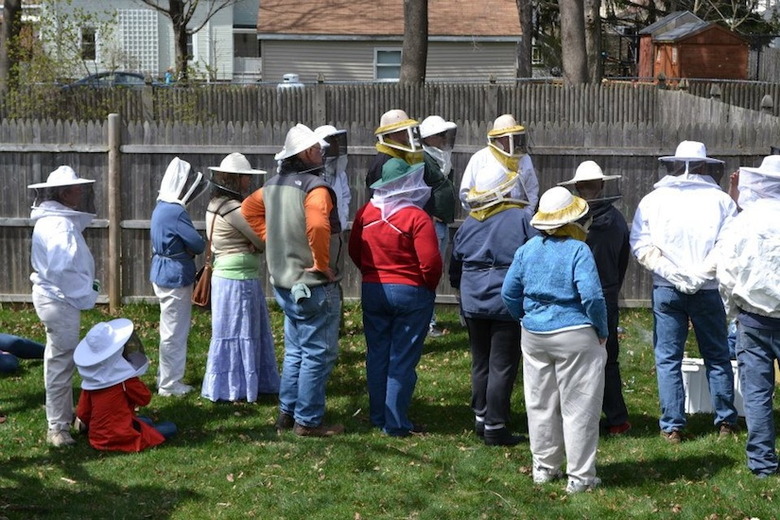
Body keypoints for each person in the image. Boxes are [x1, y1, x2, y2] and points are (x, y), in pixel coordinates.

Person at [630, 140, 739, 443]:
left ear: (676, 164)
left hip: (668, 290)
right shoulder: (722, 202)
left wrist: (673, 273)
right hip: (707, 289)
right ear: (705, 165)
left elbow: (641, 244)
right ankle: (726, 422)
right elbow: (728, 245)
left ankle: (672, 426)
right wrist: (700, 274)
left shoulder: (653, 200)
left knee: (668, 358)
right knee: (716, 354)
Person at [501, 186, 608, 494]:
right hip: (575, 334)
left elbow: (509, 293)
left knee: (540, 403)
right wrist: (601, 329)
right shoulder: (578, 251)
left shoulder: (527, 250)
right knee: (579, 406)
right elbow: (592, 296)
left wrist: (525, 318)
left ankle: (544, 468)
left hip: (534, 335)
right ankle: (580, 477)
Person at [242, 124, 344, 437]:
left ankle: (287, 413)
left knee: (296, 351)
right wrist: (321, 264)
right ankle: (308, 421)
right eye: (317, 149)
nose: (322, 153)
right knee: (317, 354)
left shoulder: (272, 185)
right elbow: (318, 225)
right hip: (314, 285)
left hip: (284, 284)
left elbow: (248, 209)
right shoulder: (316, 188)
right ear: (306, 152)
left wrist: (271, 238)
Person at [349, 158, 442, 437]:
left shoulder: (365, 213)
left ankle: (379, 416)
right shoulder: (416, 217)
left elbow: (355, 250)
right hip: (411, 291)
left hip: (374, 289)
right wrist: (426, 287)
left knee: (377, 354)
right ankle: (396, 422)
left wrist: (371, 273)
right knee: (402, 357)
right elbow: (430, 262)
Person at [450, 163, 536, 446]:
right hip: (505, 301)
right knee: (502, 363)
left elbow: (455, 264)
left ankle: (481, 416)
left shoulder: (470, 222)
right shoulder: (521, 219)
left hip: (473, 301)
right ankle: (495, 425)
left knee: (481, 360)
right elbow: (534, 256)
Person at [717, 154, 780, 477]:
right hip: (754, 318)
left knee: (757, 394)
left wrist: (732, 312)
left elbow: (726, 271)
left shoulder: (743, 221)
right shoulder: (744, 219)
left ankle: (762, 463)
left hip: (752, 319)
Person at [29, 165, 99, 447]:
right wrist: (85, 293)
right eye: (76, 188)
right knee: (60, 363)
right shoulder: (59, 225)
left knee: (58, 359)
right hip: (60, 300)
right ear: (64, 193)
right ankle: (57, 428)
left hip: (53, 297)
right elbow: (63, 270)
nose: (81, 192)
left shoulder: (51, 220)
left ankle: (62, 415)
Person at [201, 153, 280, 402]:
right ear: (235, 179)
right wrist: (254, 245)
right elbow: (262, 238)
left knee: (231, 330)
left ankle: (233, 386)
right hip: (238, 279)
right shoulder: (233, 208)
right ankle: (237, 388)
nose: (248, 181)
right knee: (241, 331)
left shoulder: (215, 204)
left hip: (228, 276)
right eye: (245, 177)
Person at [559, 161, 631, 436]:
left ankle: (579, 417)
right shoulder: (616, 220)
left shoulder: (573, 222)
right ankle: (616, 418)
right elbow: (623, 260)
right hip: (605, 293)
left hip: (579, 295)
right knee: (606, 358)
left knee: (576, 358)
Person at [149, 157, 208, 397]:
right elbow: (197, 243)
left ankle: (164, 376)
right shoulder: (175, 212)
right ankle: (170, 384)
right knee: (175, 332)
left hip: (162, 272)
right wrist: (190, 249)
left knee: (169, 329)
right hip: (174, 276)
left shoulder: (161, 206)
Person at [74, 319, 176, 452]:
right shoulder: (125, 381)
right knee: (170, 427)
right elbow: (145, 398)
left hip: (98, 439)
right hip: (124, 437)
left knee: (145, 420)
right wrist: (135, 382)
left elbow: (83, 413)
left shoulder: (91, 385)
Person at [419, 115, 458, 338]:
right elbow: (418, 190)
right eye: (441, 135)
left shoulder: (440, 157)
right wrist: (428, 214)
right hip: (430, 224)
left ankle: (428, 320)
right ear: (429, 137)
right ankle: (426, 322)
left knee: (434, 273)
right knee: (427, 273)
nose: (444, 138)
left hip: (441, 223)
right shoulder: (423, 159)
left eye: (445, 134)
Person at [459, 114, 539, 213]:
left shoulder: (524, 159)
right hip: (487, 216)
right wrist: (479, 214)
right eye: (510, 137)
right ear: (498, 138)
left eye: (516, 136)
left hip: (518, 215)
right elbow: (465, 194)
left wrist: (527, 214)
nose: (514, 140)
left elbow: (532, 189)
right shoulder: (480, 158)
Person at [365, 109, 423, 192]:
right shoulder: (384, 161)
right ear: (392, 134)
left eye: (406, 131)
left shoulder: (401, 154)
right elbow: (379, 194)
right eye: (402, 131)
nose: (406, 135)